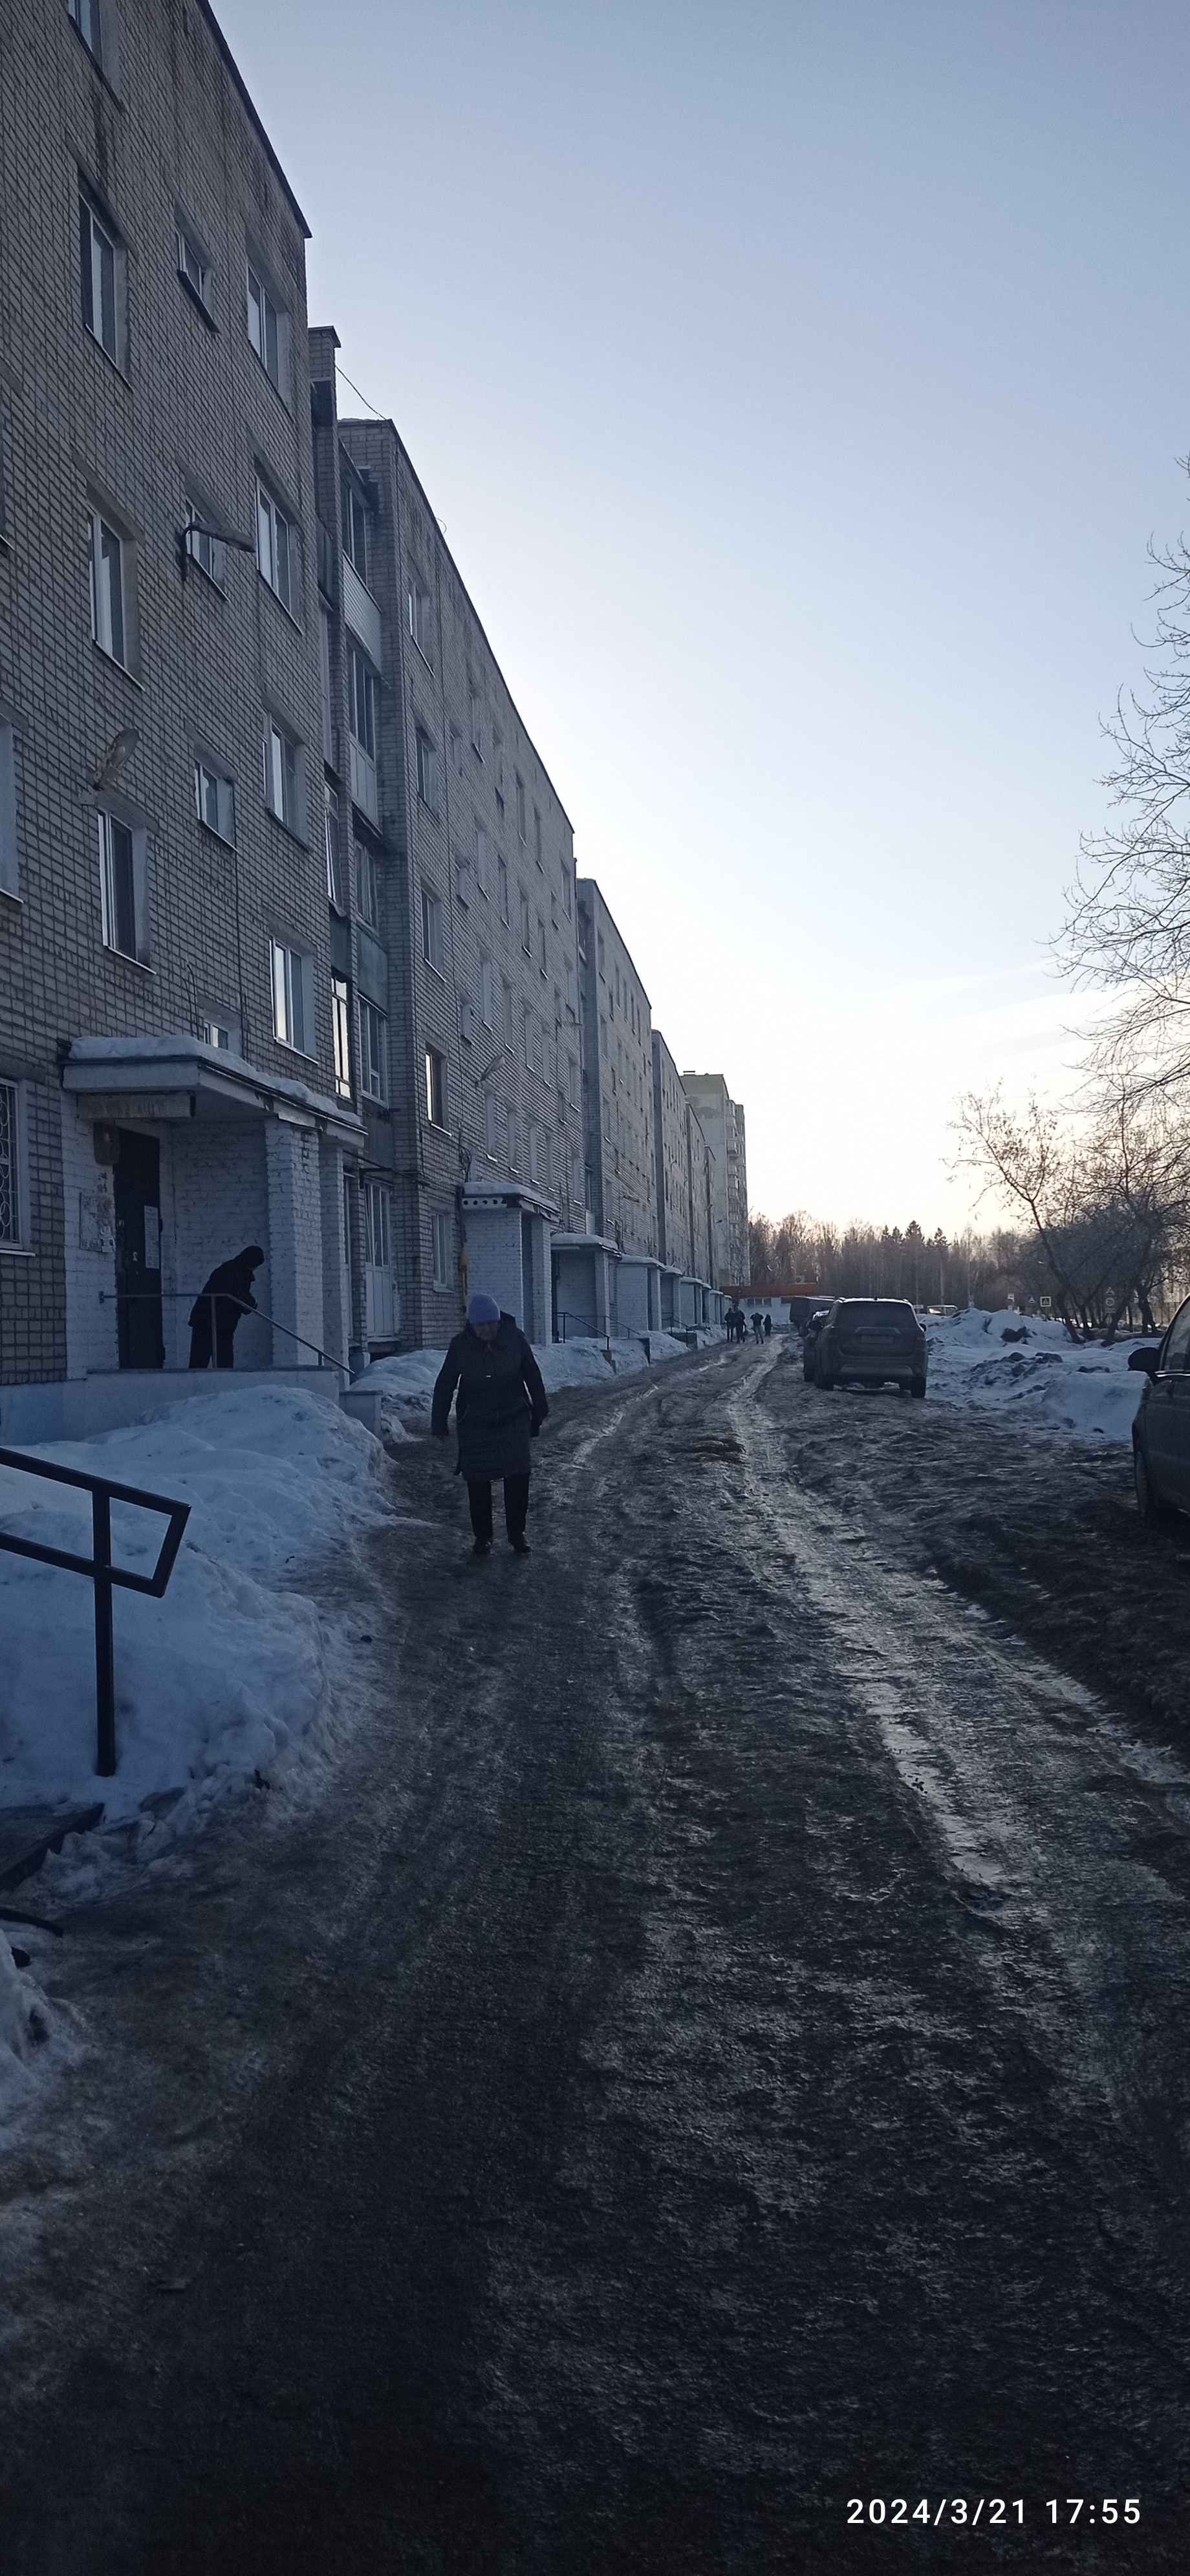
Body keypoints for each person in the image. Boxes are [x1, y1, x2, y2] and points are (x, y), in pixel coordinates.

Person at [431, 1291, 549, 1556]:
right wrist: (439, 1422)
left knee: (518, 1475)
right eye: (481, 1325)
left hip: (514, 1416)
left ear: (499, 1321)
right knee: (478, 1480)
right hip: (475, 1421)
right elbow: (446, 1383)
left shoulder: (515, 1339)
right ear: (472, 1325)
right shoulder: (460, 1346)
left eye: (492, 1323)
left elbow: (532, 1373)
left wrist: (540, 1410)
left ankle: (517, 1534)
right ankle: (483, 1536)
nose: (487, 1329)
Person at [188, 1245, 265, 1369]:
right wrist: (252, 1303)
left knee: (203, 1361)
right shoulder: (234, 1273)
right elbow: (236, 1296)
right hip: (215, 1322)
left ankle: (197, 1380)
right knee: (219, 1361)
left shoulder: (232, 1269)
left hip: (211, 1321)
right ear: (252, 1264)